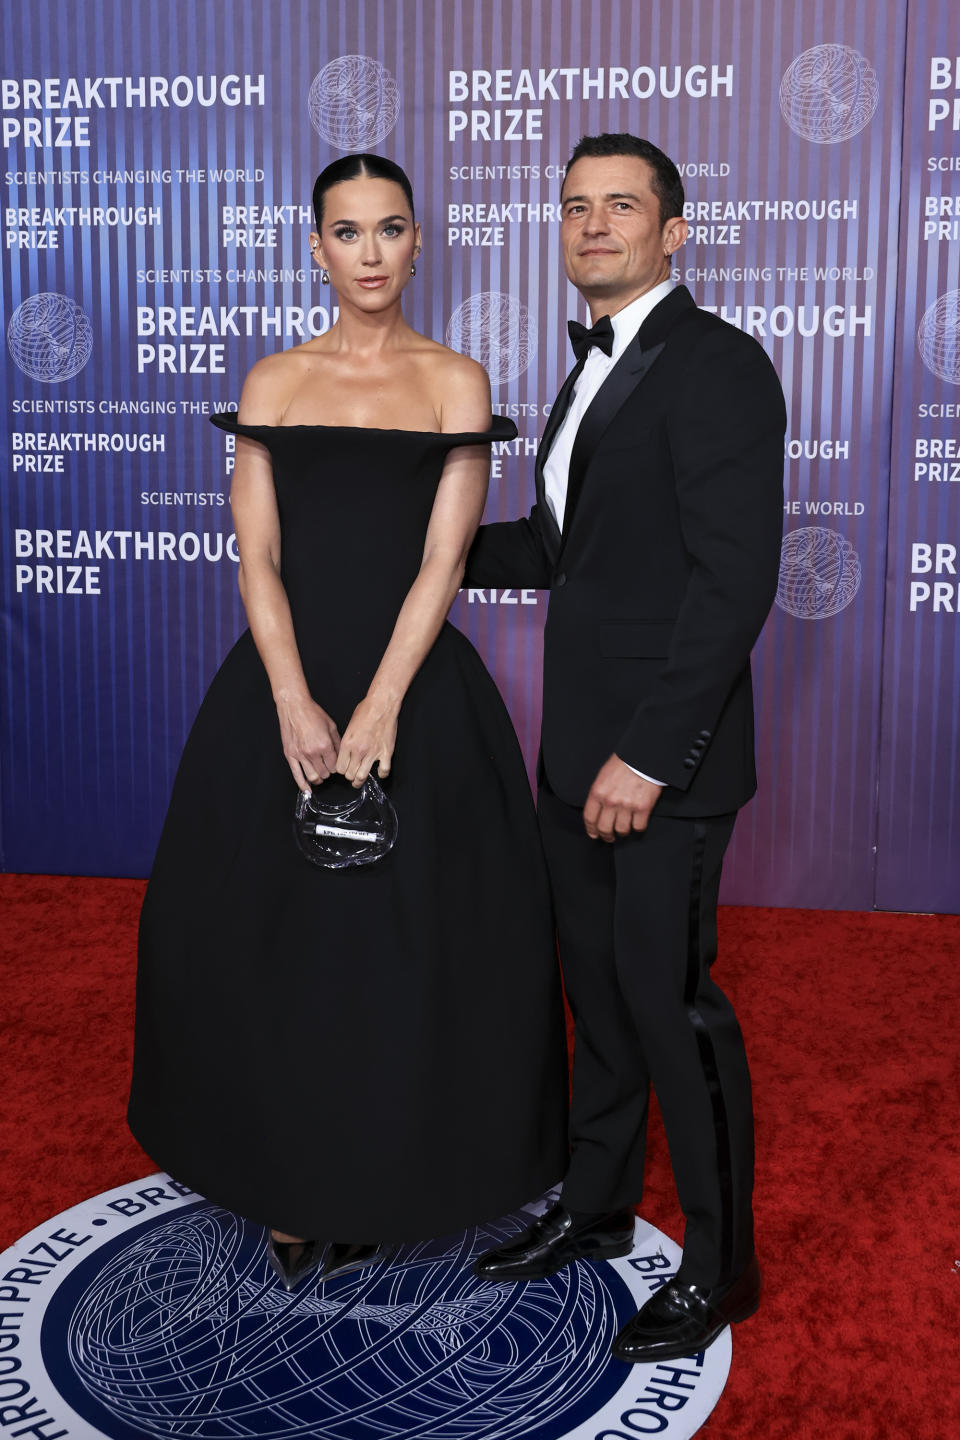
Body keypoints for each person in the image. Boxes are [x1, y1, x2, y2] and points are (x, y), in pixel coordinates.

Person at [127, 153, 569, 1291]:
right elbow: (257, 552)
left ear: (419, 244)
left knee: (407, 953)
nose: (370, 252)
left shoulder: (455, 382)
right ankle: (285, 1176)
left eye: (390, 229)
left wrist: (379, 701)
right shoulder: (273, 381)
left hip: (412, 692)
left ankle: (392, 1172)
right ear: (314, 246)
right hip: (280, 693)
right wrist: (289, 696)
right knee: (274, 950)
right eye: (347, 231)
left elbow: (444, 558)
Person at [466, 133, 786, 1365]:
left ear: (674, 232)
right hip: (574, 756)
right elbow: (559, 556)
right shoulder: (587, 372)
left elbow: (734, 583)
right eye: (575, 207)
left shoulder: (717, 366)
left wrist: (649, 759)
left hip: (663, 769)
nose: (594, 225)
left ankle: (721, 1267)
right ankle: (597, 1213)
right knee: (597, 1000)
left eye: (622, 207)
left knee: (671, 1007)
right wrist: (416, 545)